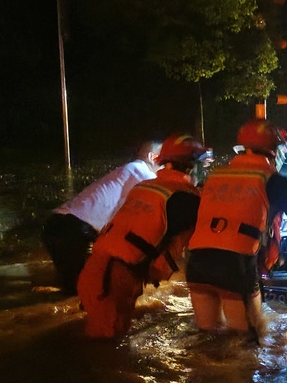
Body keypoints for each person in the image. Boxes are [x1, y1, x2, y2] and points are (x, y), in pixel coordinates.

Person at [185, 119, 287, 340]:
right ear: (274, 150)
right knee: (246, 341)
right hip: (235, 265)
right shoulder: (275, 181)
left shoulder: (216, 176)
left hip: (196, 262)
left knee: (208, 337)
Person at [77, 134, 209, 339]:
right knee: (105, 355)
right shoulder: (186, 198)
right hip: (116, 281)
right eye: (202, 165)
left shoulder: (144, 186)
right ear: (192, 166)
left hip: (95, 271)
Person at [41, 140, 161, 293]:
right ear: (152, 157)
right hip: (71, 229)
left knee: (78, 286)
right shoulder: (141, 171)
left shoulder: (129, 172)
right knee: (82, 291)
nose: (166, 167)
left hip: (61, 226)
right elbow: (163, 195)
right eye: (165, 161)